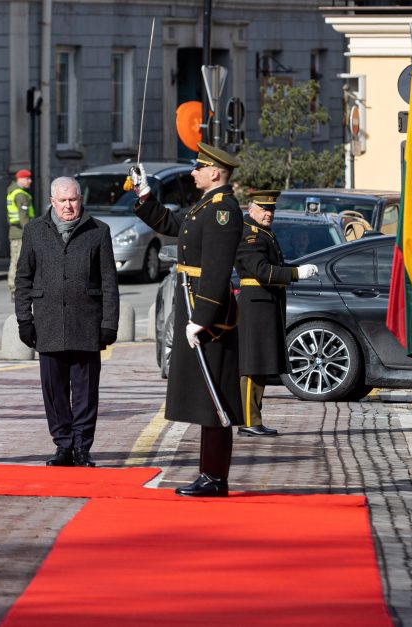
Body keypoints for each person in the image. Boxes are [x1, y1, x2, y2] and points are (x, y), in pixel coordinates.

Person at [131, 142, 243, 497]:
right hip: (193, 305)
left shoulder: (223, 210)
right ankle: (210, 475)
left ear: (215, 173)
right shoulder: (207, 206)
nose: (193, 172)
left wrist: (204, 317)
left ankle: (214, 478)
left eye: (199, 168)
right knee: (204, 397)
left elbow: (217, 269)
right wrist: (144, 193)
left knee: (214, 398)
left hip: (206, 314)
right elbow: (174, 225)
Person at [15, 177, 119, 468]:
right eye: (62, 201)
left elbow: (110, 282)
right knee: (54, 390)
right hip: (47, 323)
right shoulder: (34, 231)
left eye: (73, 200)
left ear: (80, 200)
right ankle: (63, 445)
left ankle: (83, 446)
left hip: (86, 324)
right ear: (52, 201)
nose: (68, 206)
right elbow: (23, 277)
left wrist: (109, 323)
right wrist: (25, 319)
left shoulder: (98, 231)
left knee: (85, 392)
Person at [234, 190, 318, 437]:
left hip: (266, 303)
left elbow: (275, 268)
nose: (269, 214)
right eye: (264, 209)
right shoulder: (249, 235)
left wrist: (298, 269)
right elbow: (261, 271)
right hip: (255, 305)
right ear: (251, 210)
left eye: (271, 210)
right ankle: (248, 420)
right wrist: (295, 274)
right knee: (251, 364)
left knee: (259, 364)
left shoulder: (263, 233)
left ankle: (254, 419)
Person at [7, 169, 35, 302]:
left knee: (15, 261)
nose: (30, 181)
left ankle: (14, 290)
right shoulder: (21, 195)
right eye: (28, 178)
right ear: (21, 179)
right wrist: (31, 233)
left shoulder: (13, 192)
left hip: (15, 232)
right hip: (21, 234)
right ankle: (17, 290)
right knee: (19, 262)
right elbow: (24, 218)